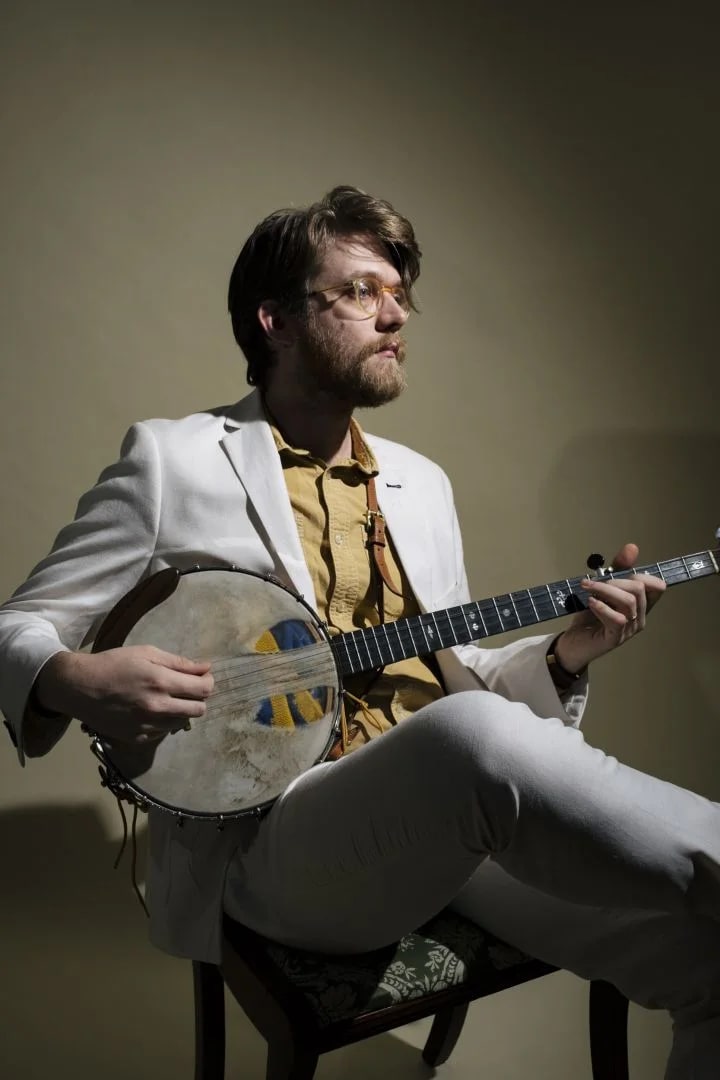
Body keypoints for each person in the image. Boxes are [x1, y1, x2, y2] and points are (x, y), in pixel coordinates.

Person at [1, 185, 719, 1077]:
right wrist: (71, 679)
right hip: (279, 846)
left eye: (400, 293)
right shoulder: (171, 460)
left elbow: (453, 668)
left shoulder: (422, 481)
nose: (395, 315)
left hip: (439, 814)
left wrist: (567, 655)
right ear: (275, 320)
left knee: (707, 959)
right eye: (361, 292)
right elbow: (17, 627)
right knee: (473, 732)